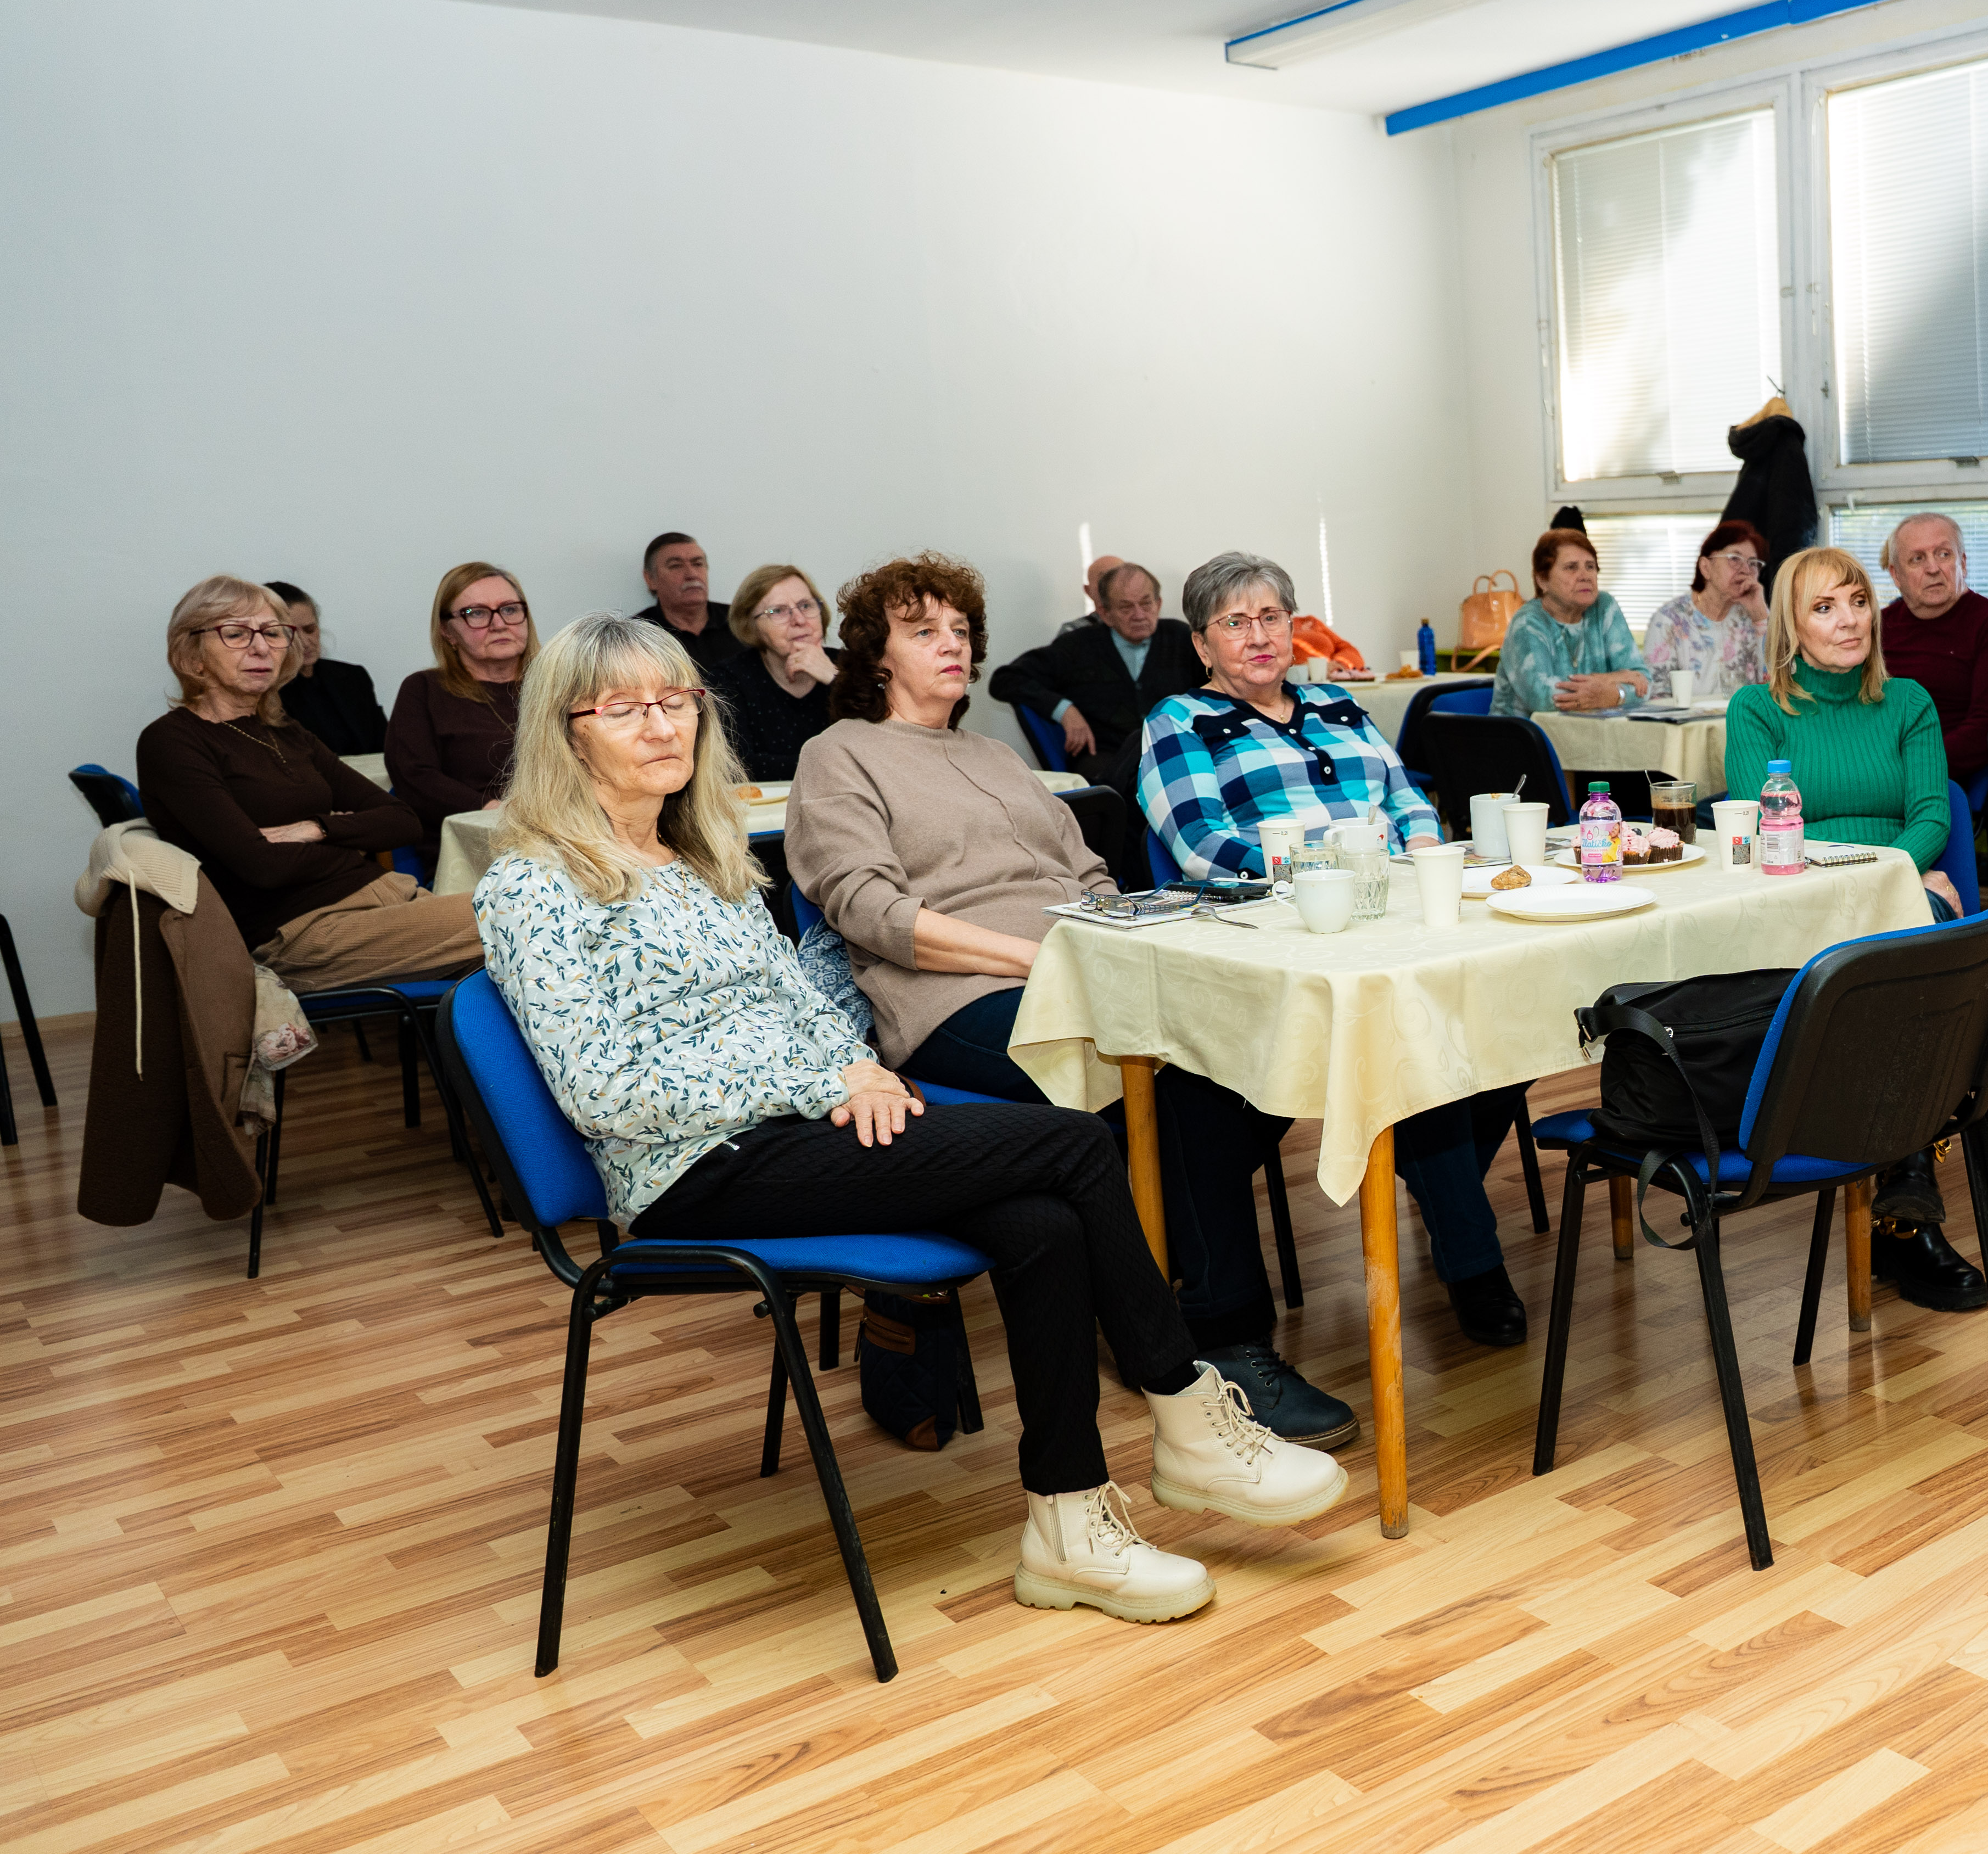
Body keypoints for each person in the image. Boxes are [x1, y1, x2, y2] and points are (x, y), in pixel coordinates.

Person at [475, 612, 1342, 1626]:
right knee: (1072, 1144)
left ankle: (1069, 1531)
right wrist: (821, 1086)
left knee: (1042, 1222)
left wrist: (855, 1065)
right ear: (567, 732)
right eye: (626, 710)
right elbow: (604, 1091)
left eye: (678, 702)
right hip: (688, 1169)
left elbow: (802, 1004)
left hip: (799, 1130)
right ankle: (1189, 1415)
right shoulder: (532, 886)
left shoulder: (704, 859)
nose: (664, 727)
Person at [783, 554, 1355, 1447]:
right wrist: (1039, 958)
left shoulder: (996, 755)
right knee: (1184, 1088)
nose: (951, 645)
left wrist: (1131, 934)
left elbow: (1089, 874)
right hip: (953, 1000)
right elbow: (870, 911)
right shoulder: (838, 754)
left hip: (1083, 974)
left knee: (1260, 1047)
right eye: (923, 631)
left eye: (960, 630)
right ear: (875, 654)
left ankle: (1139, 1286)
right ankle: (1218, 1342)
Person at [1140, 552, 1541, 1348]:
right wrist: (1334, 868)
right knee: (1410, 1039)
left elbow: (1407, 797)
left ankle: (1428, 1177)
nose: (1259, 635)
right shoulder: (1179, 721)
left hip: (1400, 913)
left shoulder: (1337, 704)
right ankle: (1473, 1260)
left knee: (1523, 1007)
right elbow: (1199, 846)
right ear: (1202, 644)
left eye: (1272, 617)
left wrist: (1420, 856)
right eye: (1235, 622)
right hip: (1290, 935)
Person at [1725, 546, 1988, 1312]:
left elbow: (1932, 817)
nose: (1848, 620)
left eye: (1857, 601)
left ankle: (1905, 1192)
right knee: (1904, 962)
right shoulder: (1757, 709)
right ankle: (1907, 1209)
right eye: (1823, 607)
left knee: (1919, 951)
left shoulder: (1908, 702)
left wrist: (1891, 881)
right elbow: (1766, 831)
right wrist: (1877, 881)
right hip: (1805, 900)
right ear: (1791, 626)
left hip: (1899, 891)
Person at [135, 576, 482, 988]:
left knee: (526, 934)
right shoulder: (172, 742)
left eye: (273, 633)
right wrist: (353, 841)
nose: (261, 648)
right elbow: (262, 866)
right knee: (530, 915)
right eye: (236, 634)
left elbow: (401, 820)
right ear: (193, 656)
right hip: (302, 932)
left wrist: (317, 829)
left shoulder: (285, 731)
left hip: (388, 898)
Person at [989, 558, 1205, 771]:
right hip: (1107, 763)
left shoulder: (1182, 638)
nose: (1139, 615)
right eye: (1126, 607)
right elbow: (1006, 679)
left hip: (1175, 753)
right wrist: (1065, 710)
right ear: (1105, 613)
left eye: (1146, 603)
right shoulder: (1077, 645)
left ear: (1159, 604)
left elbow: (1215, 686)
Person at [1875, 513, 1988, 785]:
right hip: (1875, 765)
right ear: (1896, 575)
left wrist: (1906, 768)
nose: (1933, 568)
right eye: (1917, 559)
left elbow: (1987, 729)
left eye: (1944, 554)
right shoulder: (1876, 627)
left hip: (1941, 777)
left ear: (1962, 563)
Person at [384, 563, 531, 855]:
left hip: (570, 832)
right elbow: (415, 776)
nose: (499, 624)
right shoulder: (424, 690)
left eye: (510, 609)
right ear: (448, 632)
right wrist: (487, 808)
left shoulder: (560, 683)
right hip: (477, 841)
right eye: (476, 613)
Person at [1496, 529, 1649, 718]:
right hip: (1523, 734)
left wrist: (1614, 694)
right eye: (1571, 568)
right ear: (1543, 580)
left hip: (1589, 731)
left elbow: (1644, 682)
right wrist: (1613, 680)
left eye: (1590, 567)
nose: (1585, 576)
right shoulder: (1527, 623)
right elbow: (1543, 697)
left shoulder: (1604, 607)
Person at [719, 563, 840, 782]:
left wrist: (836, 679)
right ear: (751, 626)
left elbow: (883, 745)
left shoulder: (853, 665)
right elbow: (737, 765)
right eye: (778, 611)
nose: (800, 620)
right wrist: (836, 767)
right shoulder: (729, 679)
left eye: (806, 606)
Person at [1639, 521, 1772, 697]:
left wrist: (1761, 617)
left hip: (1744, 715)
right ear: (1706, 568)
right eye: (1735, 559)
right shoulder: (1670, 620)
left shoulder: (1751, 616)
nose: (1746, 570)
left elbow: (1780, 683)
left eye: (1753, 564)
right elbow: (1655, 693)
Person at [264, 582, 387, 757]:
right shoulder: (266, 691)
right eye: (290, 634)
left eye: (310, 630)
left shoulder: (353, 677)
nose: (305, 643)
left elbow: (385, 745)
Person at [635, 531, 751, 684]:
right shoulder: (638, 636)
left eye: (698, 564)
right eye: (676, 566)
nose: (692, 574)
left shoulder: (741, 620)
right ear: (650, 579)